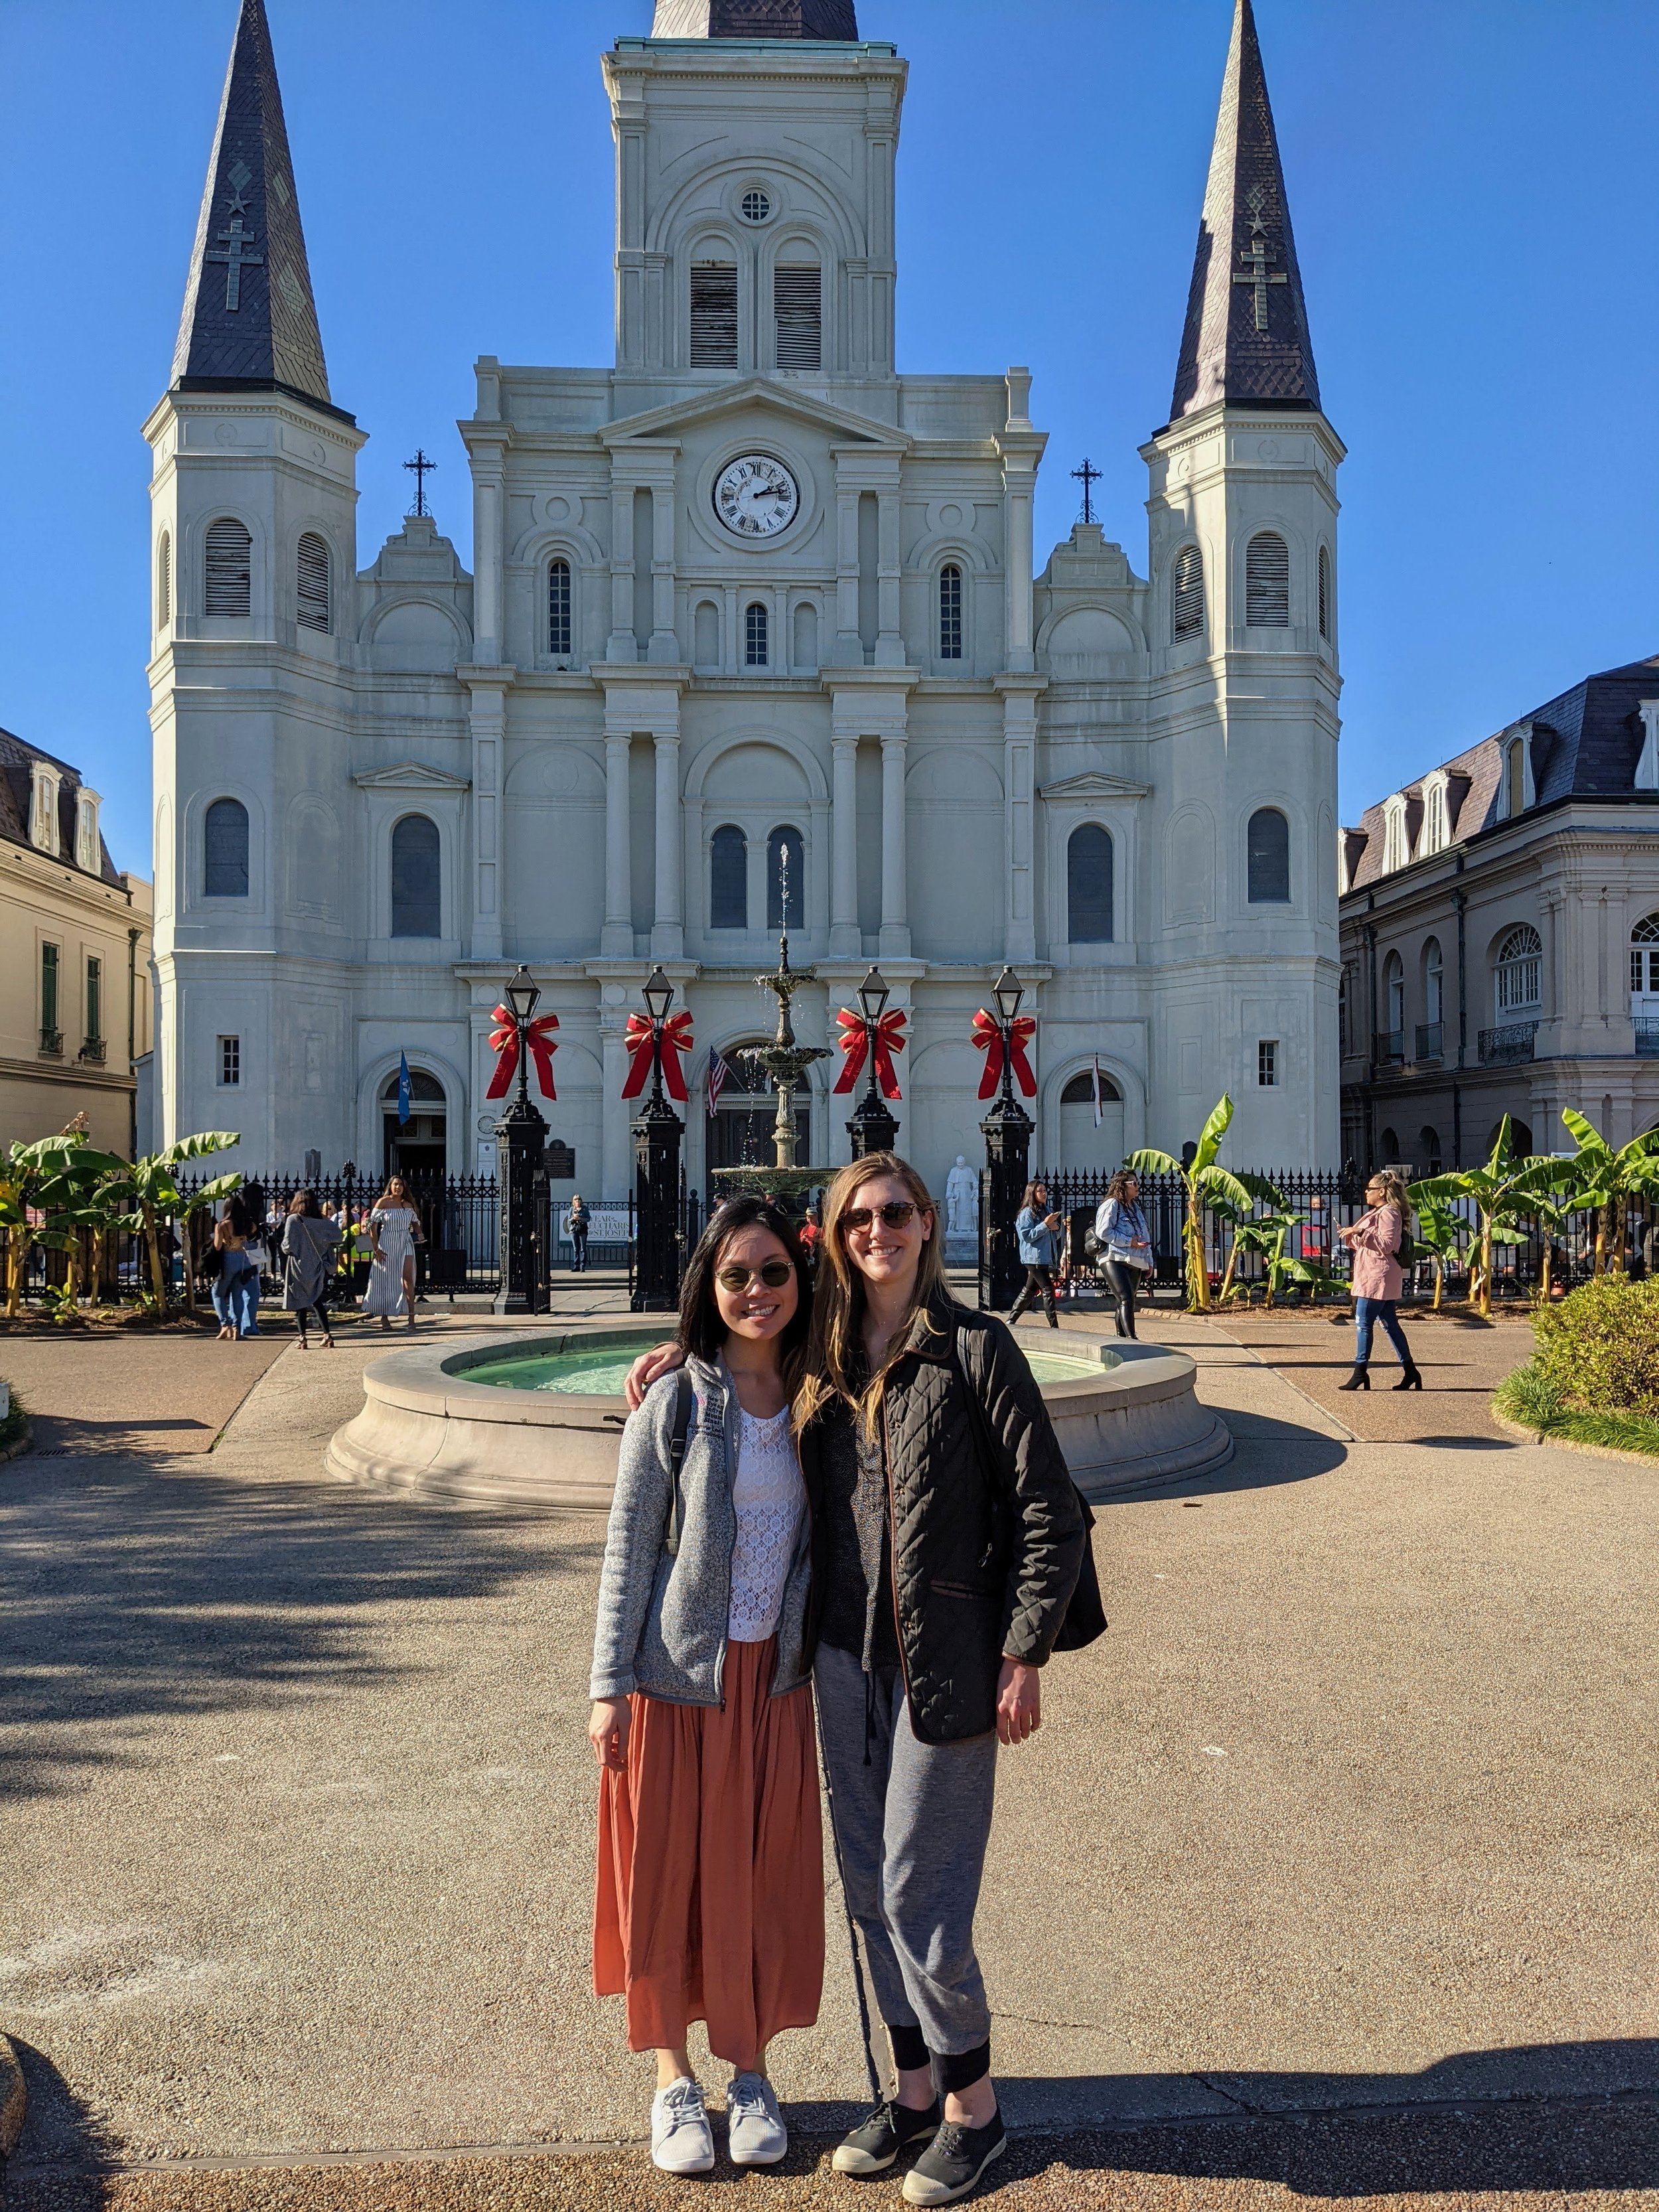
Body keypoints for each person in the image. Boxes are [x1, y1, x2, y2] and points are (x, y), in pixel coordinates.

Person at [626, 1153, 1088, 2207]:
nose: (877, 1230)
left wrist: (1024, 1654)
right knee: (871, 1886)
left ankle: (976, 2109)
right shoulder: (823, 1353)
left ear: (926, 1223)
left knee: (924, 1890)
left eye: (895, 1212)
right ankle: (915, 2090)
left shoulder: (976, 1347)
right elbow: (742, 1353)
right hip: (841, 1656)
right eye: (857, 1218)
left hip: (948, 1661)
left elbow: (1050, 1511)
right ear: (834, 1238)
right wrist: (681, 1351)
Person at [591, 1197, 821, 2177]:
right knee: (669, 1882)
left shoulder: (824, 1391)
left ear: (801, 1279)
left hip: (774, 1683)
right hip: (681, 1680)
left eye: (773, 1271)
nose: (757, 1289)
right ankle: (672, 2079)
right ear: (708, 1286)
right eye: (736, 1275)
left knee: (759, 1880)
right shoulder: (675, 1402)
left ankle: (752, 2071)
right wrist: (607, 1683)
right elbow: (628, 1548)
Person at [1335, 1169, 1423, 1391]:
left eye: (1370, 1189)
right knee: (1390, 1324)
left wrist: (1360, 1232)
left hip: (1377, 1277)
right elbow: (1367, 1243)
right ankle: (1411, 1372)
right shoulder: (1377, 1212)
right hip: (1373, 1274)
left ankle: (1360, 1372)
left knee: (1363, 1323)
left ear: (1382, 1192)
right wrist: (1351, 1235)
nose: (1366, 1192)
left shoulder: (1389, 1213)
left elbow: (1388, 1245)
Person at [1094, 1168, 1153, 1340]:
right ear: (1122, 1186)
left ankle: (1121, 1337)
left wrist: (1149, 1260)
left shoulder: (1135, 1207)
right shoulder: (1112, 1204)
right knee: (1126, 1298)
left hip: (1135, 1260)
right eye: (1134, 1183)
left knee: (1126, 1300)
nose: (1137, 1186)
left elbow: (1144, 1234)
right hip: (1113, 1257)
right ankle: (1132, 1338)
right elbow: (1103, 1232)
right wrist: (1129, 1241)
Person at [281, 1190, 340, 1350]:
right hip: (317, 1266)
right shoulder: (322, 1221)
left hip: (298, 1265)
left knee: (300, 1303)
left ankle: (303, 1338)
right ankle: (327, 1335)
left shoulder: (294, 1219)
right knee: (317, 1301)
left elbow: (287, 1246)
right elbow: (338, 1237)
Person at [362, 1175, 421, 1331]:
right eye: (395, 1184)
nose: (398, 1187)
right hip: (387, 1242)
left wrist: (420, 1234)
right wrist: (376, 1248)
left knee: (408, 1278)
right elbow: (372, 1226)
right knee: (387, 1279)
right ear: (391, 1186)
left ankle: (411, 1317)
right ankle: (385, 1316)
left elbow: (415, 1222)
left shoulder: (407, 1204)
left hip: (405, 1241)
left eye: (401, 1184)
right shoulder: (383, 1202)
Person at [1007, 1180, 1062, 1327]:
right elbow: (1027, 1236)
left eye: (1045, 1190)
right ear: (1032, 1193)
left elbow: (1055, 1235)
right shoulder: (1027, 1213)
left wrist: (1056, 1228)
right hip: (1033, 1257)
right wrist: (1045, 1225)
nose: (1044, 1194)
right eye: (1040, 1191)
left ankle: (1011, 1320)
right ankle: (1054, 1325)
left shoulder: (1046, 1210)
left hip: (1044, 1256)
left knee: (1030, 1290)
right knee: (1048, 1289)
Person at [210, 1205, 260, 1340]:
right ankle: (237, 1328)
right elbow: (255, 1233)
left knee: (218, 1293)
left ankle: (225, 1324)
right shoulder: (249, 1224)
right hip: (244, 1260)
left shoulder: (222, 1225)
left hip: (228, 1258)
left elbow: (217, 1246)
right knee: (237, 1294)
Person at [567, 1191, 591, 1274]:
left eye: (579, 1200)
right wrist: (574, 1218)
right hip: (574, 1230)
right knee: (575, 1249)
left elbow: (588, 1218)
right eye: (576, 1200)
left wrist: (580, 1218)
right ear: (573, 1202)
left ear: (581, 1201)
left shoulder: (585, 1209)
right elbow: (569, 1220)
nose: (577, 1202)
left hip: (582, 1230)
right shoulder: (571, 1209)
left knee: (582, 1248)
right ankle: (576, 1266)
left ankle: (582, 1266)